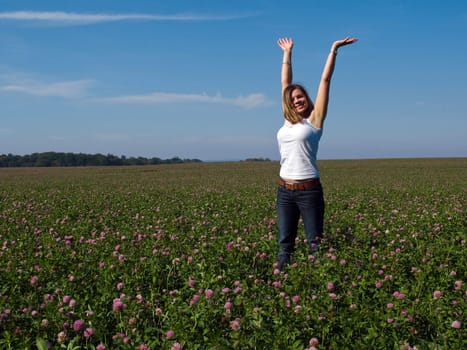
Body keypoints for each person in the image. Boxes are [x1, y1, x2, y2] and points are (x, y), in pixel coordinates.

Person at [276, 36, 358, 270]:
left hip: (309, 190)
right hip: (284, 190)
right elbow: (285, 84)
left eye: (300, 97)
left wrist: (333, 49)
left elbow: (325, 79)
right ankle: (281, 284)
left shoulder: (315, 120)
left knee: (315, 243)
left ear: (307, 98)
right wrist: (287, 54)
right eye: (292, 99)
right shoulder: (287, 120)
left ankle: (317, 284)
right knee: (284, 244)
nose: (296, 101)